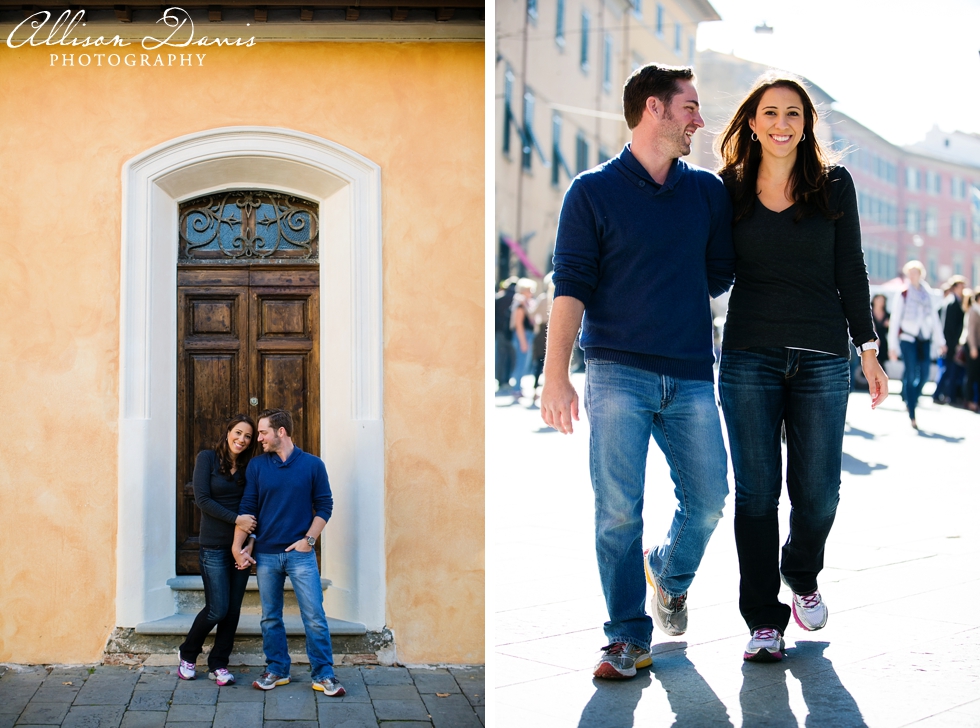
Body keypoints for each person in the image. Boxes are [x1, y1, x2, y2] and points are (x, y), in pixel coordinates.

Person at [541, 63, 735, 680]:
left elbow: (718, 273)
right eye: (690, 108)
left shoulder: (706, 192)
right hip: (616, 370)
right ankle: (627, 636)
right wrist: (555, 376)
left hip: (690, 372)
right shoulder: (591, 191)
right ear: (654, 108)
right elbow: (570, 287)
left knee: (708, 499)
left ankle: (668, 572)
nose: (699, 121)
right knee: (617, 510)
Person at [715, 73, 888, 663]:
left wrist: (867, 348)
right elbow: (709, 270)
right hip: (748, 356)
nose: (782, 123)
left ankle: (802, 572)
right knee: (757, 495)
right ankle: (764, 621)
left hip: (820, 356)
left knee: (818, 494)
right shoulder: (729, 188)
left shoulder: (833, 185)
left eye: (794, 113)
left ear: (806, 123)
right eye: (771, 112)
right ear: (753, 122)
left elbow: (852, 270)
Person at [233, 408, 345, 696]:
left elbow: (325, 506)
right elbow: (248, 507)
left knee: (314, 616)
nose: (258, 438)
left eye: (262, 432)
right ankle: (277, 669)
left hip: (300, 554)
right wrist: (244, 543)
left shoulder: (312, 465)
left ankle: (324, 674)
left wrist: (309, 539)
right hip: (267, 555)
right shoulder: (258, 466)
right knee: (270, 617)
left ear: (280, 432)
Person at [177, 415, 258, 685]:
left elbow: (254, 505)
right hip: (212, 545)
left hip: (241, 547)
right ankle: (188, 654)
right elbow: (202, 499)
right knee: (217, 608)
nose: (242, 440)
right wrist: (236, 519)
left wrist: (249, 541)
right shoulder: (207, 458)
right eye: (238, 433)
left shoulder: (251, 467)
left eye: (248, 436)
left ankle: (218, 663)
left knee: (233, 609)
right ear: (228, 433)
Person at [887, 261, 945, 428]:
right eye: (910, 273)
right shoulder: (904, 293)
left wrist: (941, 341)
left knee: (925, 375)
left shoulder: (928, 294)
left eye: (915, 272)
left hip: (924, 338)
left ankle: (911, 398)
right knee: (911, 374)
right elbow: (895, 320)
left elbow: (934, 319)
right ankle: (912, 412)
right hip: (907, 338)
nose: (913, 276)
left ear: (921, 274)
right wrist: (892, 347)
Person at [934, 276, 967, 405]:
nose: (963, 289)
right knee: (949, 370)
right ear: (955, 287)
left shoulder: (952, 301)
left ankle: (945, 395)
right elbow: (951, 326)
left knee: (949, 370)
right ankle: (944, 395)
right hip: (951, 342)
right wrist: (952, 344)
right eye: (961, 286)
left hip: (950, 342)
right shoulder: (953, 303)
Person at [510, 278, 538, 398]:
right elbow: (519, 324)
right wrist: (523, 342)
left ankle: (518, 387)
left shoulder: (525, 303)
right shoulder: (520, 304)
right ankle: (516, 389)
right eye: (529, 290)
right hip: (523, 336)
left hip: (526, 336)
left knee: (524, 364)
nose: (531, 292)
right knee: (521, 363)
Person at [495, 277, 518, 393]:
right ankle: (507, 379)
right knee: (510, 357)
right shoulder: (516, 298)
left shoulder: (499, 298)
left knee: (500, 356)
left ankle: (500, 380)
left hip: (499, 331)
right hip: (512, 332)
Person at [964, 289, 980, 411]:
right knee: (971, 375)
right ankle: (969, 400)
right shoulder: (974, 311)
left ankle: (976, 401)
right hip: (973, 348)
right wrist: (973, 347)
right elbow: (971, 331)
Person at [871, 293, 890, 367]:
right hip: (872, 340)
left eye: (882, 301)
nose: (880, 302)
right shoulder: (869, 314)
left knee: (881, 363)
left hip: (882, 342)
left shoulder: (887, 315)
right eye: (879, 300)